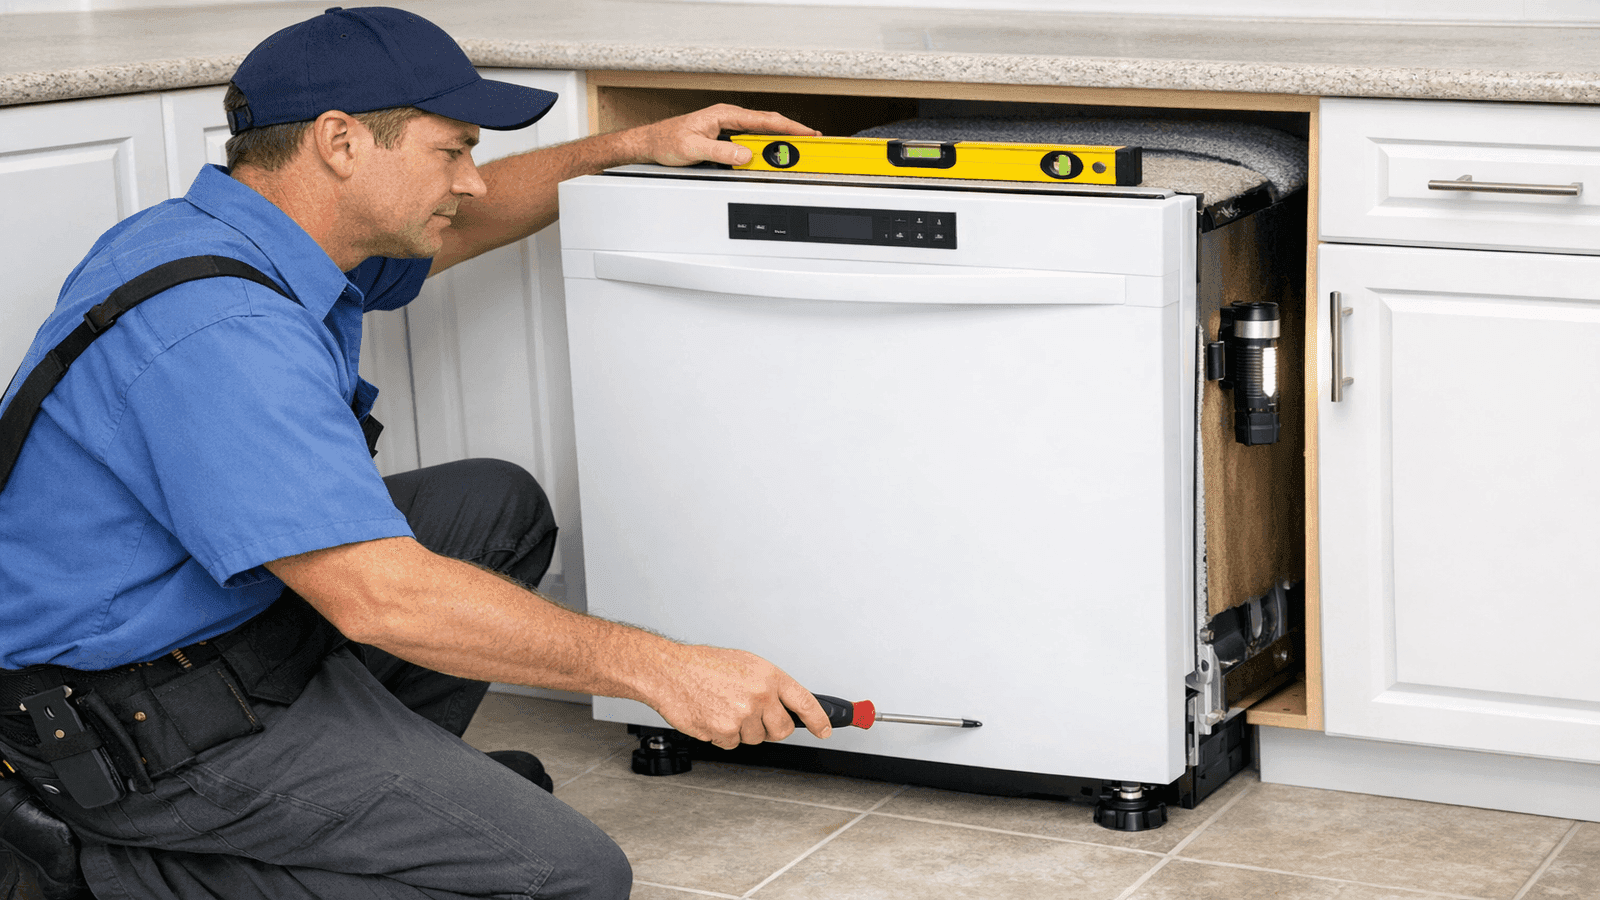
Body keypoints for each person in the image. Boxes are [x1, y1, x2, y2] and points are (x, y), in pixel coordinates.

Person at [0, 7, 832, 899]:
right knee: (565, 878)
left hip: (214, 625)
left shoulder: (235, 231)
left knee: (492, 509)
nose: (470, 180)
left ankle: (379, 803)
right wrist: (668, 668)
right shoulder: (222, 328)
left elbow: (468, 223)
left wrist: (633, 144)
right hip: (130, 721)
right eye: (453, 151)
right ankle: (99, 866)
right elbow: (380, 597)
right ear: (341, 142)